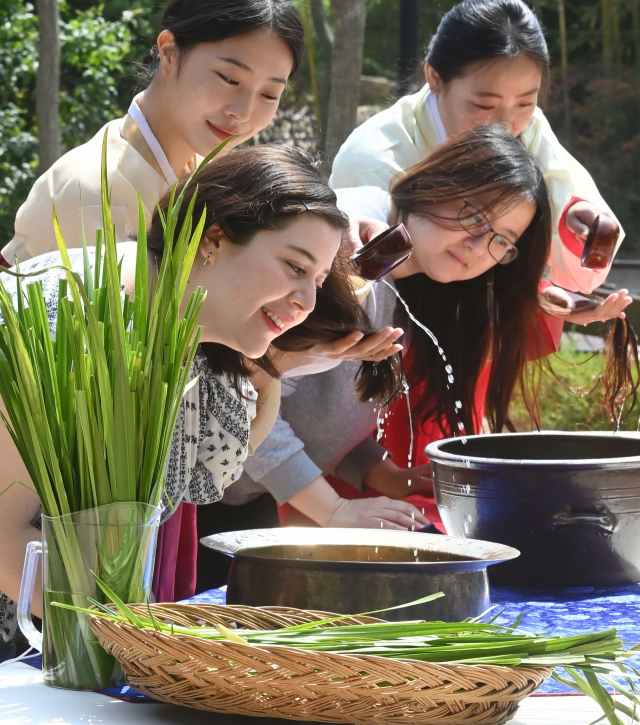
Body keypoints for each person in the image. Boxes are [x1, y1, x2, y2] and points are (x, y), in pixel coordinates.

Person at [0, 144, 399, 622]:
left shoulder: (204, 329)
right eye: (295, 267)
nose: (306, 301)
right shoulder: (59, 320)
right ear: (212, 239)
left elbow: (208, 474)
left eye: (316, 278)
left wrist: (271, 367)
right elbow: (6, 535)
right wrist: (135, 637)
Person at [212, 127, 638, 553]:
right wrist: (334, 510)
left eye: (502, 241)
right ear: (435, 181)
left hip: (238, 493)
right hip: (193, 490)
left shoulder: (421, 281)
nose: (477, 246)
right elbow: (239, 391)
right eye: (475, 218)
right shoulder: (348, 245)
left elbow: (313, 400)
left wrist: (381, 472)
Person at [330, 0, 630, 329]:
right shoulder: (375, 162)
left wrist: (573, 220)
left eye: (526, 103)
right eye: (484, 105)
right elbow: (367, 290)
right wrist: (534, 296)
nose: (505, 125)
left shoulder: (526, 128)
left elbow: (567, 245)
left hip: (471, 333)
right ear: (435, 78)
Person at [1, 0, 306, 266]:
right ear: (170, 51)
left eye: (269, 94)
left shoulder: (219, 177)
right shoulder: (88, 192)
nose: (243, 113)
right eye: (230, 79)